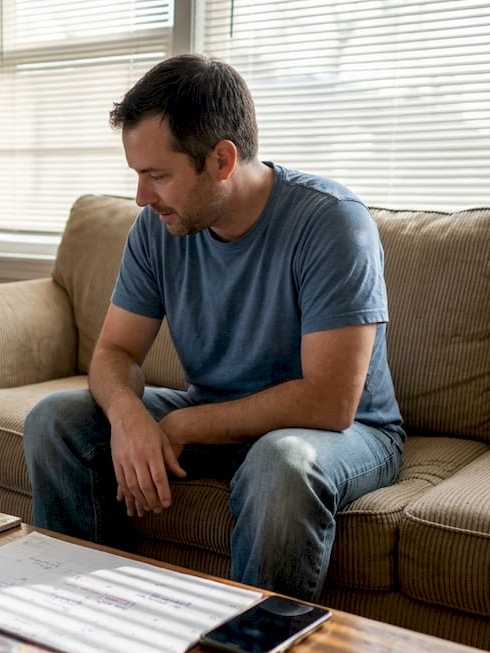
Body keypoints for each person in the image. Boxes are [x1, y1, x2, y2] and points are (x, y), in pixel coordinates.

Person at [23, 54, 405, 602]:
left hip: (346, 434)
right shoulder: (156, 231)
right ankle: (77, 612)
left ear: (222, 160)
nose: (142, 197)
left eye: (157, 176)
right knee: (56, 419)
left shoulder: (331, 223)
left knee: (282, 462)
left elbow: (329, 402)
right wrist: (130, 417)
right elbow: (114, 351)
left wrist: (178, 428)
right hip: (217, 413)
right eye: (137, 176)